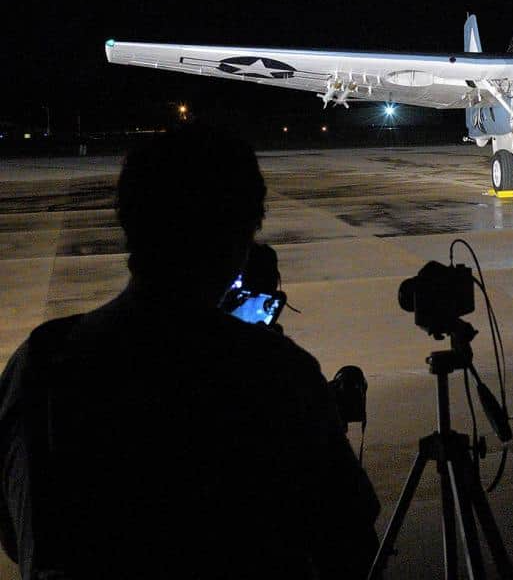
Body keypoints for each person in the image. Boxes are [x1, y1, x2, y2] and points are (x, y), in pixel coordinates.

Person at [0, 125, 379, 579]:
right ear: (242, 237)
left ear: (130, 224)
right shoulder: (273, 372)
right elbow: (350, 537)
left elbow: (15, 533)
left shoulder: (40, 361)